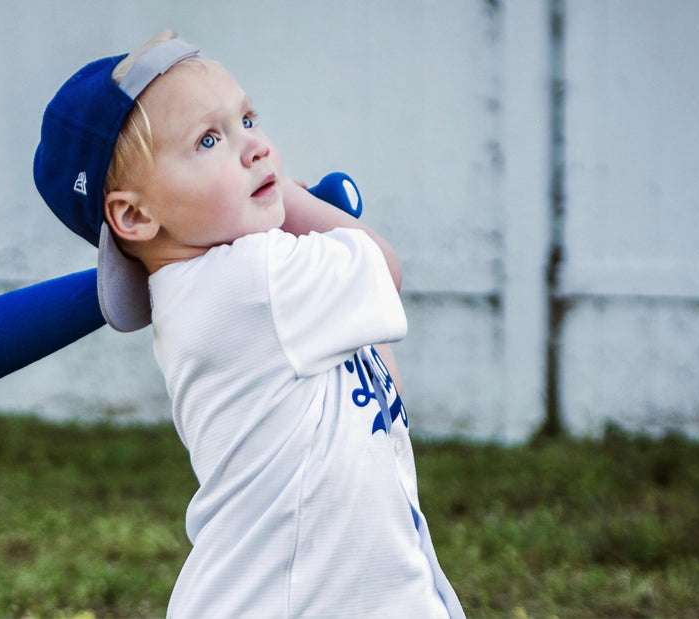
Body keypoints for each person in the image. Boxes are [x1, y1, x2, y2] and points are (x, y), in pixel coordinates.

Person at [34, 31, 464, 618]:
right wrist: (296, 201)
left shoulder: (225, 288)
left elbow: (381, 385)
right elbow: (384, 268)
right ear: (135, 215)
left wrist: (295, 221)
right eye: (209, 139)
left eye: (247, 118)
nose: (255, 147)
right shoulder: (251, 281)